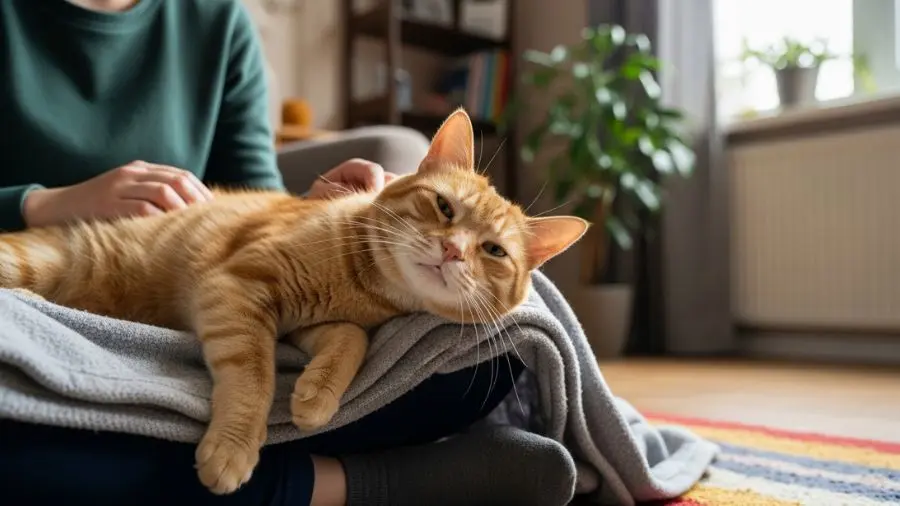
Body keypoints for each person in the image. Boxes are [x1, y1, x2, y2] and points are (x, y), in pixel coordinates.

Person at [0, 1, 568, 506]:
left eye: (489, 248)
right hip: (91, 255)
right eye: (446, 216)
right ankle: (356, 484)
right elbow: (235, 280)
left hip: (213, 313)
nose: (454, 248)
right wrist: (42, 203)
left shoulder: (217, 18)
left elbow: (257, 204)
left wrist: (313, 208)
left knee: (499, 352)